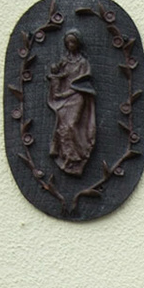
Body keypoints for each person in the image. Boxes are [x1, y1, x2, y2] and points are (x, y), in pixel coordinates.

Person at [46, 30, 97, 178]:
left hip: (76, 97)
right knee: (63, 127)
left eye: (73, 42)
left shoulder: (83, 63)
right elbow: (59, 76)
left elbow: (83, 82)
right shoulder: (64, 61)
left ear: (78, 43)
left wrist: (67, 92)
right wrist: (55, 70)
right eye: (68, 42)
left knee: (71, 125)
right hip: (63, 99)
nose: (70, 45)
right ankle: (68, 157)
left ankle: (80, 154)